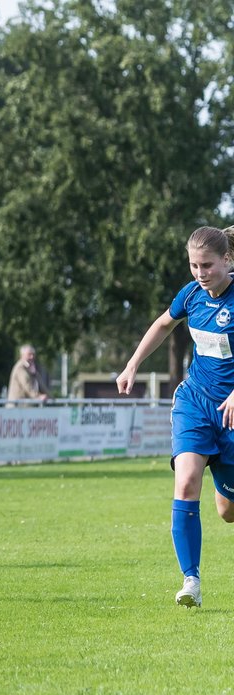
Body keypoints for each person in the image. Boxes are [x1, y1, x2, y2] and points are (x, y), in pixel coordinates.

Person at [117, 225, 234, 609]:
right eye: (194, 266)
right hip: (195, 403)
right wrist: (133, 364)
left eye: (207, 266)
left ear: (227, 260)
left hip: (232, 413)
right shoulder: (191, 295)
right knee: (185, 484)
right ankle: (191, 581)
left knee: (227, 511)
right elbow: (164, 323)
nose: (200, 274)